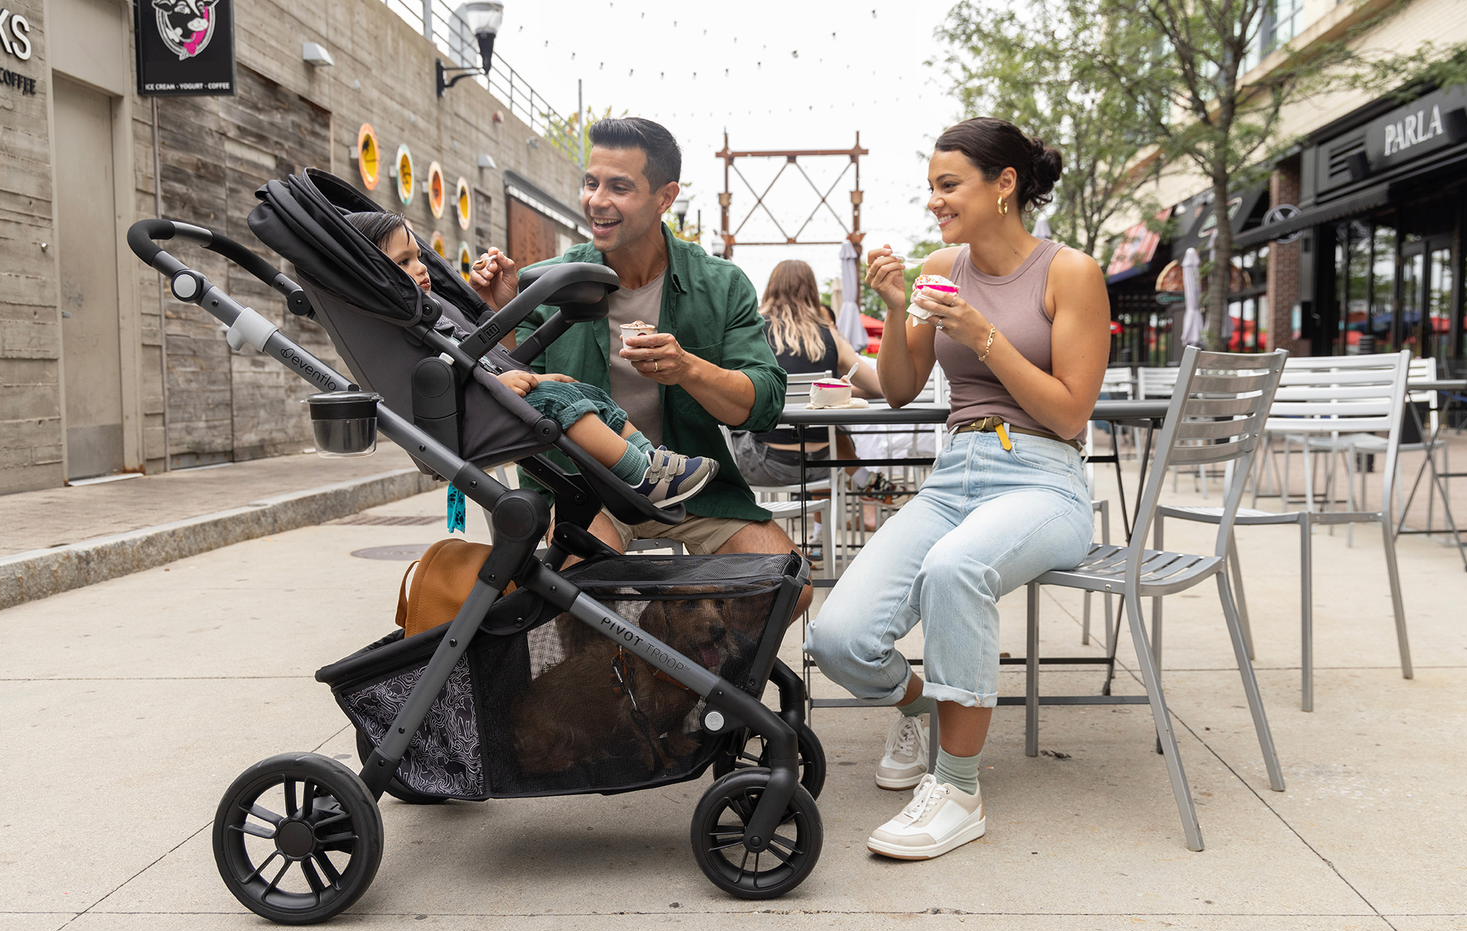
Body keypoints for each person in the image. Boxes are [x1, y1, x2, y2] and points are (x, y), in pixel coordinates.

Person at [804, 117, 1110, 860]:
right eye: (931, 189)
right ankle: (920, 708)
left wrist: (982, 337)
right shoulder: (942, 265)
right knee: (836, 638)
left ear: (1004, 185)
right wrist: (895, 304)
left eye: (949, 186)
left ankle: (958, 788)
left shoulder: (1072, 273)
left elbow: (1070, 410)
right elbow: (903, 390)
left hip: (1045, 478)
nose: (934, 203)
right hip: (955, 475)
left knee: (955, 569)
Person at [471, 117, 813, 613]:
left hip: (697, 488)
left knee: (790, 587)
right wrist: (502, 316)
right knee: (574, 598)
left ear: (664, 196)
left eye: (619, 187)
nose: (596, 200)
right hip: (585, 487)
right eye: (591, 183)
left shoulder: (721, 284)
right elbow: (519, 397)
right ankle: (638, 676)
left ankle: (688, 677)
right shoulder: (547, 282)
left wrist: (687, 369)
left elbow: (761, 404)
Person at [347, 210, 718, 507]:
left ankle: (652, 463)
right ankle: (639, 477)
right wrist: (496, 384)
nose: (421, 267)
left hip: (488, 397)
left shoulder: (431, 308)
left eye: (418, 255)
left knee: (584, 392)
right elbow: (436, 376)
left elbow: (473, 355)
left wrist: (532, 377)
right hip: (468, 412)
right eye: (404, 262)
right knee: (560, 403)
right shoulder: (401, 327)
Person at [729, 260, 881, 491]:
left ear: (771, 288)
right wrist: (836, 393)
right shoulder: (830, 335)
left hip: (764, 464)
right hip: (823, 464)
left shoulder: (752, 330)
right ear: (812, 291)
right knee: (836, 433)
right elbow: (879, 387)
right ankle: (824, 525)